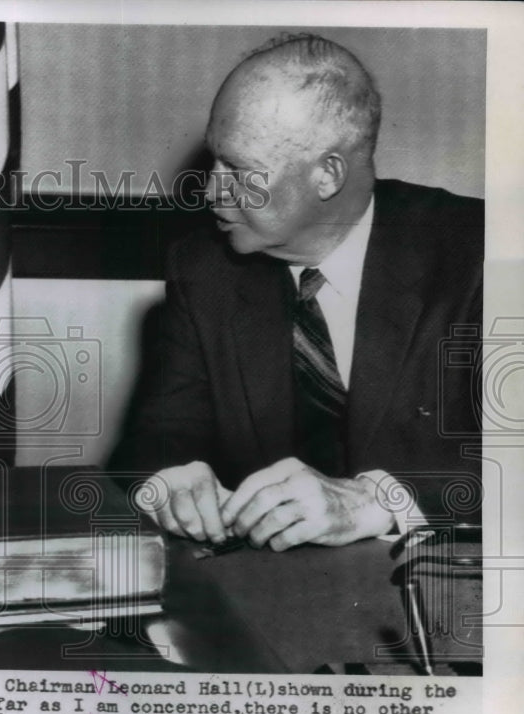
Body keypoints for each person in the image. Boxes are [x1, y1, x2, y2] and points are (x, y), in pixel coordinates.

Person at [111, 33, 482, 551]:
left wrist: (378, 501)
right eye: (215, 161)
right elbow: (157, 436)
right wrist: (169, 480)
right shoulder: (203, 270)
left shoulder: (480, 255)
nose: (211, 190)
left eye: (238, 171)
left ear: (327, 174)